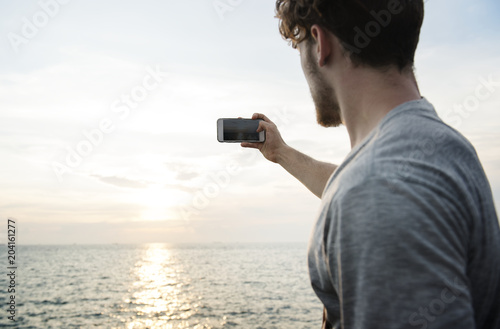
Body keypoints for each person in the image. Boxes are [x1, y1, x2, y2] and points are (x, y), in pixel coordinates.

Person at [241, 0, 500, 328]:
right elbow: (359, 182)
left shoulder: (376, 190)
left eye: (300, 46)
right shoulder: (440, 147)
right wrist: (281, 153)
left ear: (320, 44)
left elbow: (372, 192)